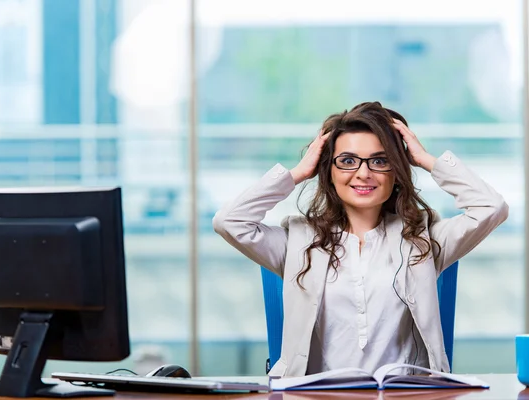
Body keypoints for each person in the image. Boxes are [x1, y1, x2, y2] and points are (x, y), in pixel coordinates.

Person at [212, 102, 508, 378]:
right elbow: (230, 222)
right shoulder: (298, 242)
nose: (363, 173)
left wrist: (426, 160)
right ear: (327, 170)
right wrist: (298, 173)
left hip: (404, 397)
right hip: (314, 398)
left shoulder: (425, 239)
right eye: (348, 161)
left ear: (397, 170)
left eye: (380, 160)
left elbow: (491, 208)